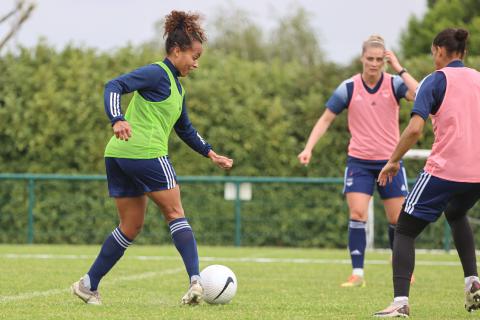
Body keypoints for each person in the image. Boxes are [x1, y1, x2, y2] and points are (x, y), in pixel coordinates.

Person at [71, 10, 233, 305]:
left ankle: (88, 284)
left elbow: (185, 129)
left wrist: (211, 153)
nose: (196, 63)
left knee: (130, 226)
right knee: (175, 214)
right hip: (145, 154)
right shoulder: (157, 73)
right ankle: (196, 282)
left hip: (118, 155)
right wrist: (116, 118)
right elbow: (114, 86)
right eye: (194, 56)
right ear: (176, 50)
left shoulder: (178, 90)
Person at [373, 28, 480, 317]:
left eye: (433, 53)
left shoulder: (434, 81)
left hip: (446, 169)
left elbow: (415, 129)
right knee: (456, 213)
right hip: (477, 174)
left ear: (440, 51)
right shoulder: (478, 78)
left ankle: (399, 303)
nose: (433, 58)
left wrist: (393, 160)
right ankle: (472, 281)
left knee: (405, 229)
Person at [298, 35, 418, 288]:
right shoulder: (349, 88)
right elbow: (325, 119)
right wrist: (308, 147)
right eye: (369, 58)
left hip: (391, 162)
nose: (374, 64)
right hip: (359, 163)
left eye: (379, 59)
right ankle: (357, 273)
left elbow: (419, 94)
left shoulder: (394, 84)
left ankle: (400, 266)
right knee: (357, 213)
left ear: (384, 60)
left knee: (398, 220)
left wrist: (399, 67)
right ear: (362, 58)